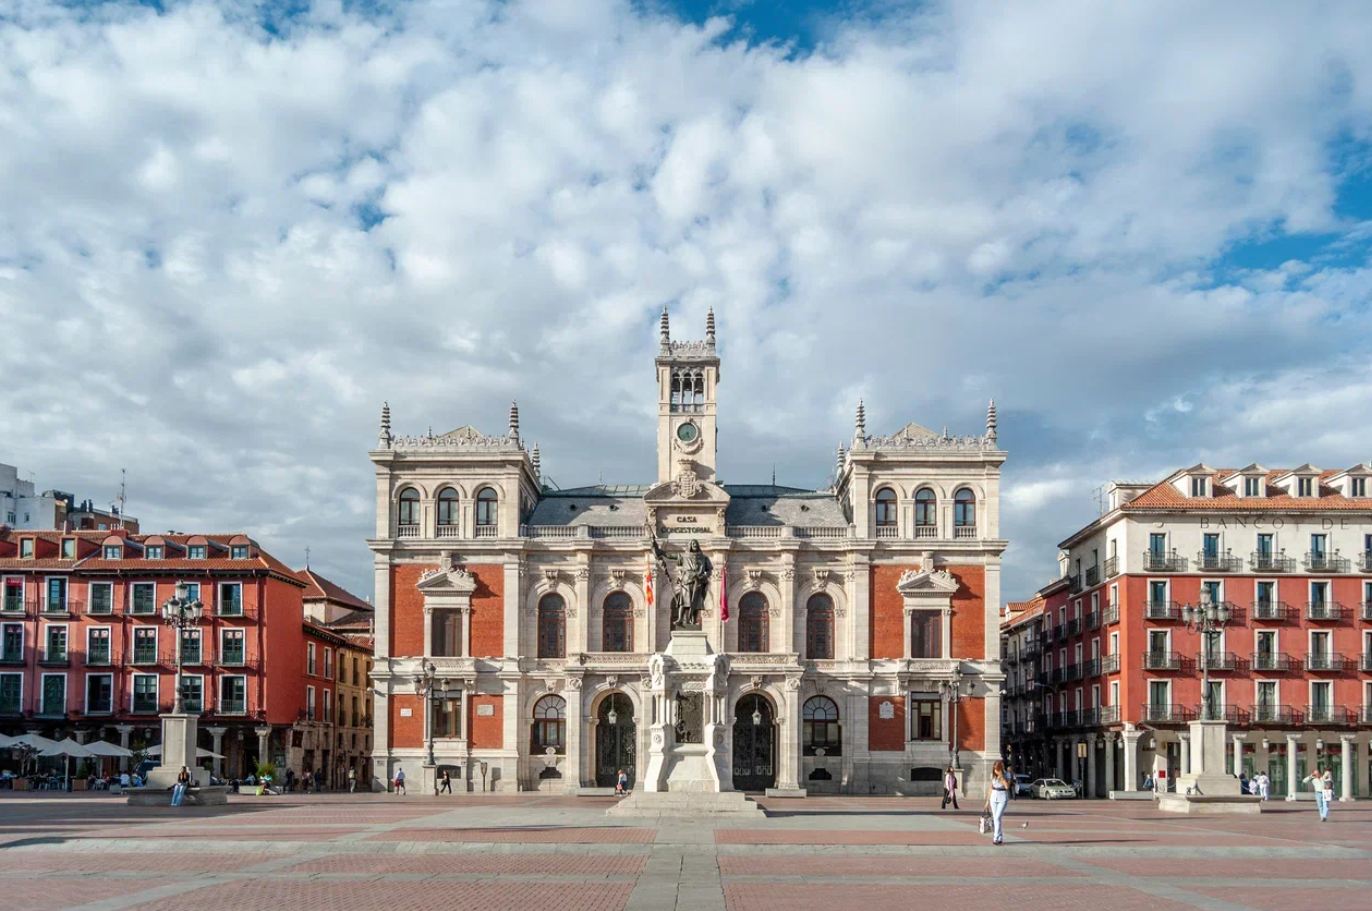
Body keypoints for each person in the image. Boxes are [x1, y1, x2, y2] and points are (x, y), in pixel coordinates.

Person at [984, 760, 1011, 846]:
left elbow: (1007, 787)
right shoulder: (993, 775)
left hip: (1003, 797)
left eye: (997, 769)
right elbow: (991, 788)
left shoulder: (1007, 775)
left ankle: (995, 837)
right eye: (994, 769)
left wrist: (1001, 776)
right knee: (996, 818)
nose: (995, 770)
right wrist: (987, 801)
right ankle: (999, 837)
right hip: (993, 797)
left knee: (997, 817)